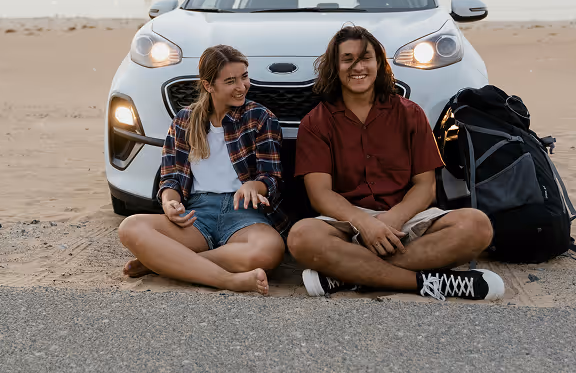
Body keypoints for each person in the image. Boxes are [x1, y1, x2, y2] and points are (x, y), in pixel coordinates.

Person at [287, 26, 505, 301]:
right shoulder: (316, 122)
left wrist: (393, 218)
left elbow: (425, 187)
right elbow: (320, 194)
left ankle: (346, 274)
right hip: (346, 220)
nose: (358, 67)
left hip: (405, 218)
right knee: (301, 236)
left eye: (366, 58)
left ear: (379, 63)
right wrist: (364, 223)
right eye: (347, 59)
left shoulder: (410, 114)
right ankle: (427, 283)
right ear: (335, 66)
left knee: (477, 226)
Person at [119, 45, 288, 295]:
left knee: (270, 249)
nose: (242, 86)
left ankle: (166, 263)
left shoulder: (260, 117)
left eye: (244, 76)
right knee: (131, 227)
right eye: (230, 81)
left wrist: (254, 185)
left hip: (244, 213)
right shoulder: (184, 120)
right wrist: (169, 202)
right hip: (197, 214)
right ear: (208, 85)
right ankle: (228, 280)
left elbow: (271, 177)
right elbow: (171, 178)